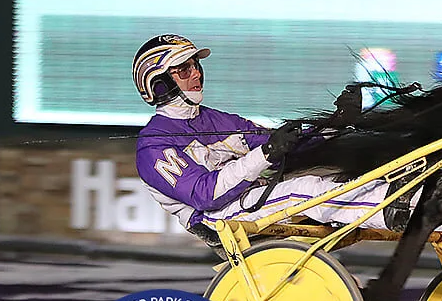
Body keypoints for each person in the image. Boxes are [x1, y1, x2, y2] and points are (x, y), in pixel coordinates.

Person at [132, 34, 416, 251]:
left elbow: (285, 147)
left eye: (195, 66)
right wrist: (265, 154)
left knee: (334, 176)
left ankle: (413, 200)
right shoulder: (153, 146)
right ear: (159, 84)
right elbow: (205, 195)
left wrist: (335, 124)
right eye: (183, 70)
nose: (196, 73)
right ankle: (393, 211)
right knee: (301, 191)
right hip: (215, 217)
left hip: (249, 197)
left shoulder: (217, 119)